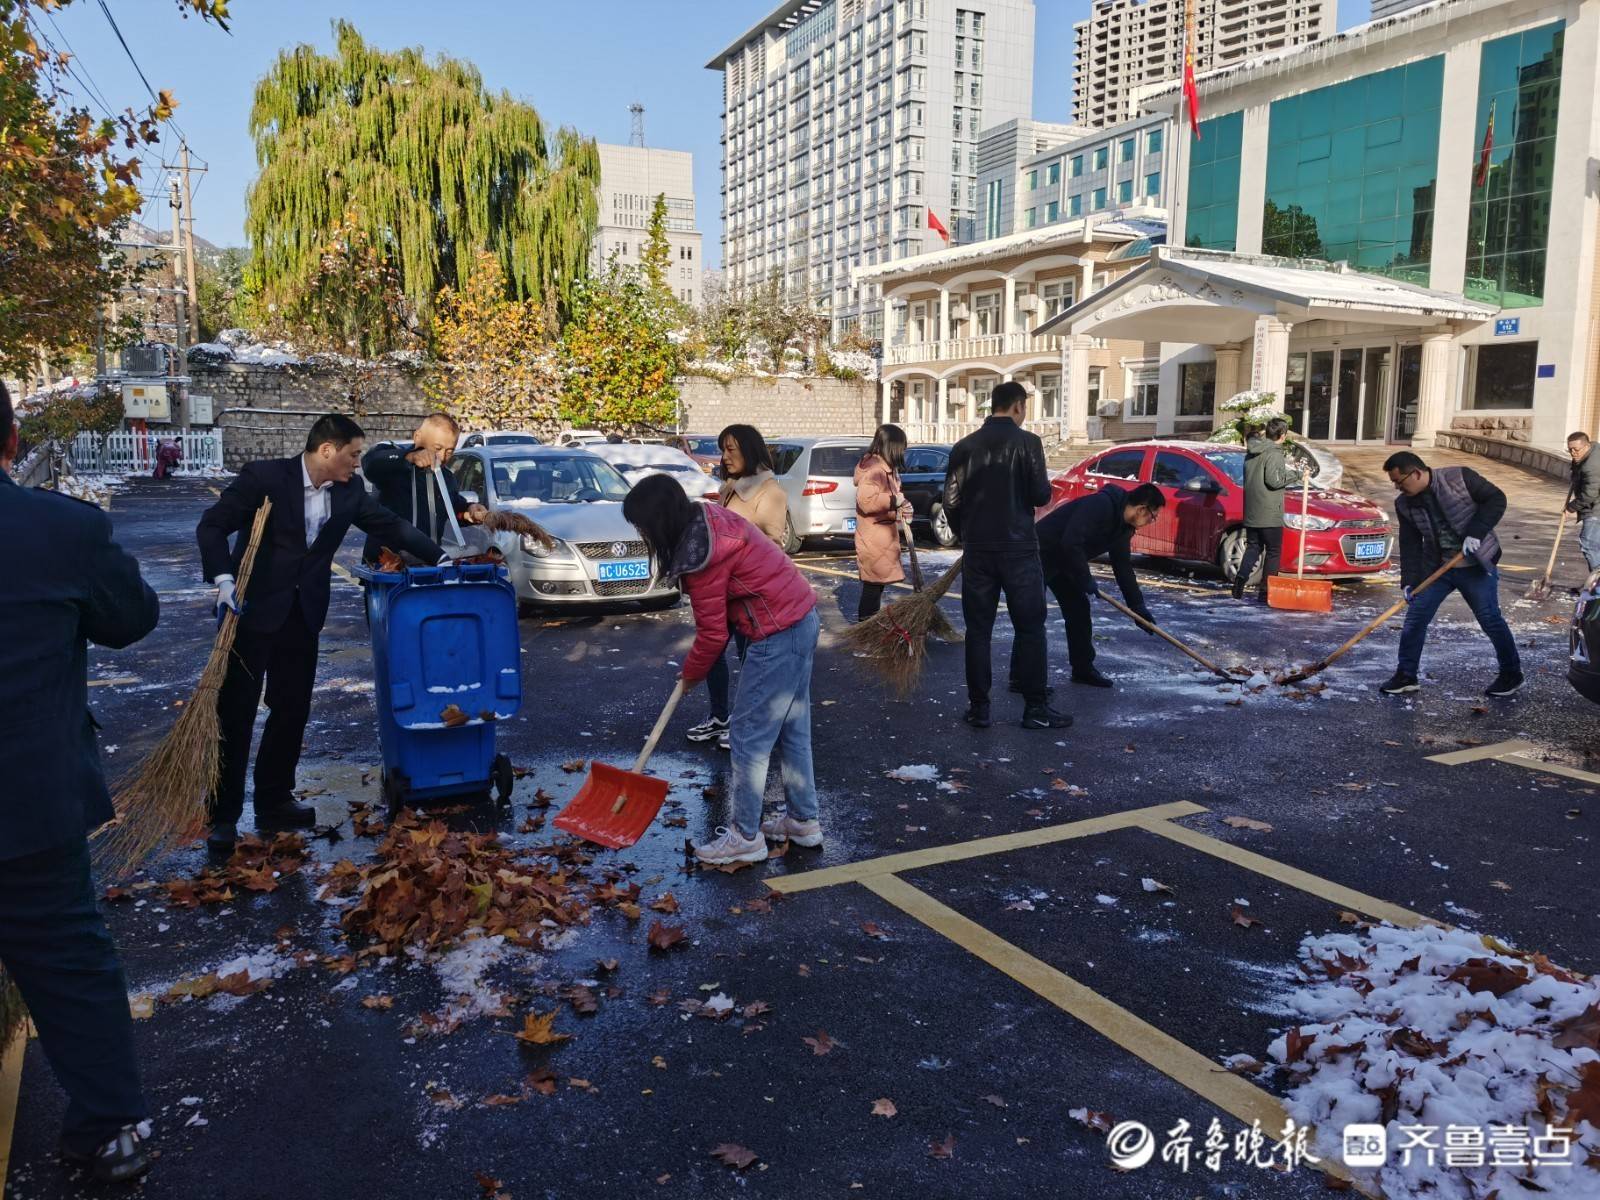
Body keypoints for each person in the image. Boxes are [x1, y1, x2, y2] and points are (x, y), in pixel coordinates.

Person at [0, 380, 161, 1181]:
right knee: (68, 963)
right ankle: (107, 1131)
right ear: (11, 446)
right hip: (27, 805)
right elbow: (131, 619)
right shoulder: (59, 529)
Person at [197, 414, 447, 852]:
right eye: (352, 454)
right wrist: (222, 580)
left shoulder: (348, 491)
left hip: (303, 616)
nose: (357, 464)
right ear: (327, 450)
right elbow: (212, 525)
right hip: (250, 612)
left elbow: (390, 525)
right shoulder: (265, 478)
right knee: (236, 713)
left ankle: (274, 800)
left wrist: (440, 558)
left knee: (291, 710)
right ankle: (223, 815)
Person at [623, 474, 820, 865]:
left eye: (642, 525)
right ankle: (802, 821)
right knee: (792, 728)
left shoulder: (702, 554)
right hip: (800, 619)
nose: (642, 533)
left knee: (747, 736)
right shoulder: (707, 520)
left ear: (659, 520)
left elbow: (713, 635)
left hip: (777, 631)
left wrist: (691, 674)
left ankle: (745, 836)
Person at [941, 380, 1069, 730]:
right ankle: (1035, 708)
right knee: (1030, 628)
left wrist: (966, 534)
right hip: (1020, 550)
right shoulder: (1029, 443)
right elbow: (1041, 495)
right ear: (1017, 407)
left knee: (978, 630)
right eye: (1024, 408)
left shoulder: (964, 447)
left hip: (979, 550)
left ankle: (979, 708)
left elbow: (950, 501)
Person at [1381, 451, 1522, 698]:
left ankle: (1511, 674)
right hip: (1437, 569)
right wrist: (1410, 581)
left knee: (1490, 619)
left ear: (1416, 473)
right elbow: (1410, 543)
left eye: (1399, 481)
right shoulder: (1404, 503)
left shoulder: (1459, 478)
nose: (1397, 487)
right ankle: (1406, 675)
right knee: (1415, 619)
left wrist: (1475, 533)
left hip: (1475, 565)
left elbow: (1496, 499)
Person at [684, 424, 789, 750]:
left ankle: (748, 722)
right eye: (722, 449)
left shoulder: (769, 492)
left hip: (750, 596)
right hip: (721, 592)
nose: (725, 456)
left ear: (750, 449)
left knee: (751, 660)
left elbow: (772, 546)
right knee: (713, 651)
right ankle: (719, 717)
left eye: (731, 449)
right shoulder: (730, 487)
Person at [1037, 482, 1164, 687]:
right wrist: (1085, 578)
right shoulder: (1101, 505)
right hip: (1039, 555)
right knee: (1033, 618)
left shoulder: (1124, 529)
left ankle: (1083, 669)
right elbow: (1071, 541)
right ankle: (1023, 679)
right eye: (1153, 516)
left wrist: (1137, 606)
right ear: (1142, 509)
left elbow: (1122, 567)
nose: (1151, 521)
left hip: (1064, 561)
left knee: (1078, 609)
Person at [360, 412, 486, 562]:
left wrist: (468, 511)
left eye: (449, 451)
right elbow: (371, 463)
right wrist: (409, 457)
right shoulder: (395, 463)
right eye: (437, 448)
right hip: (387, 565)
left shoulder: (446, 477)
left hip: (429, 564)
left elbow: (453, 507)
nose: (442, 456)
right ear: (417, 437)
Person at [854, 423, 913, 622]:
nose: (903, 452)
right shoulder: (875, 470)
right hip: (874, 540)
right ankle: (864, 634)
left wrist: (901, 509)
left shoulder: (885, 469)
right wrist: (894, 501)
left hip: (880, 538)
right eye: (902, 447)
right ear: (893, 447)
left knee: (875, 588)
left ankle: (868, 631)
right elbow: (867, 501)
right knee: (872, 588)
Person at [1233, 418, 1295, 601]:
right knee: (1273, 551)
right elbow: (1274, 480)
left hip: (1252, 511)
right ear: (1282, 435)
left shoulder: (1252, 452)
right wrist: (1297, 474)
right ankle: (1266, 592)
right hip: (1270, 511)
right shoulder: (1274, 453)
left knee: (1254, 547)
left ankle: (1240, 581)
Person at [1567, 432, 1600, 572]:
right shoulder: (1588, 453)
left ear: (1586, 446)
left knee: (1588, 543)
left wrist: (1571, 507)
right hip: (1594, 504)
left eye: (1576, 449)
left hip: (1596, 507)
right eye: (1570, 449)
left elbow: (1590, 494)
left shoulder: (1592, 465)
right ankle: (1595, 580)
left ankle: (1597, 584)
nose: (1573, 453)